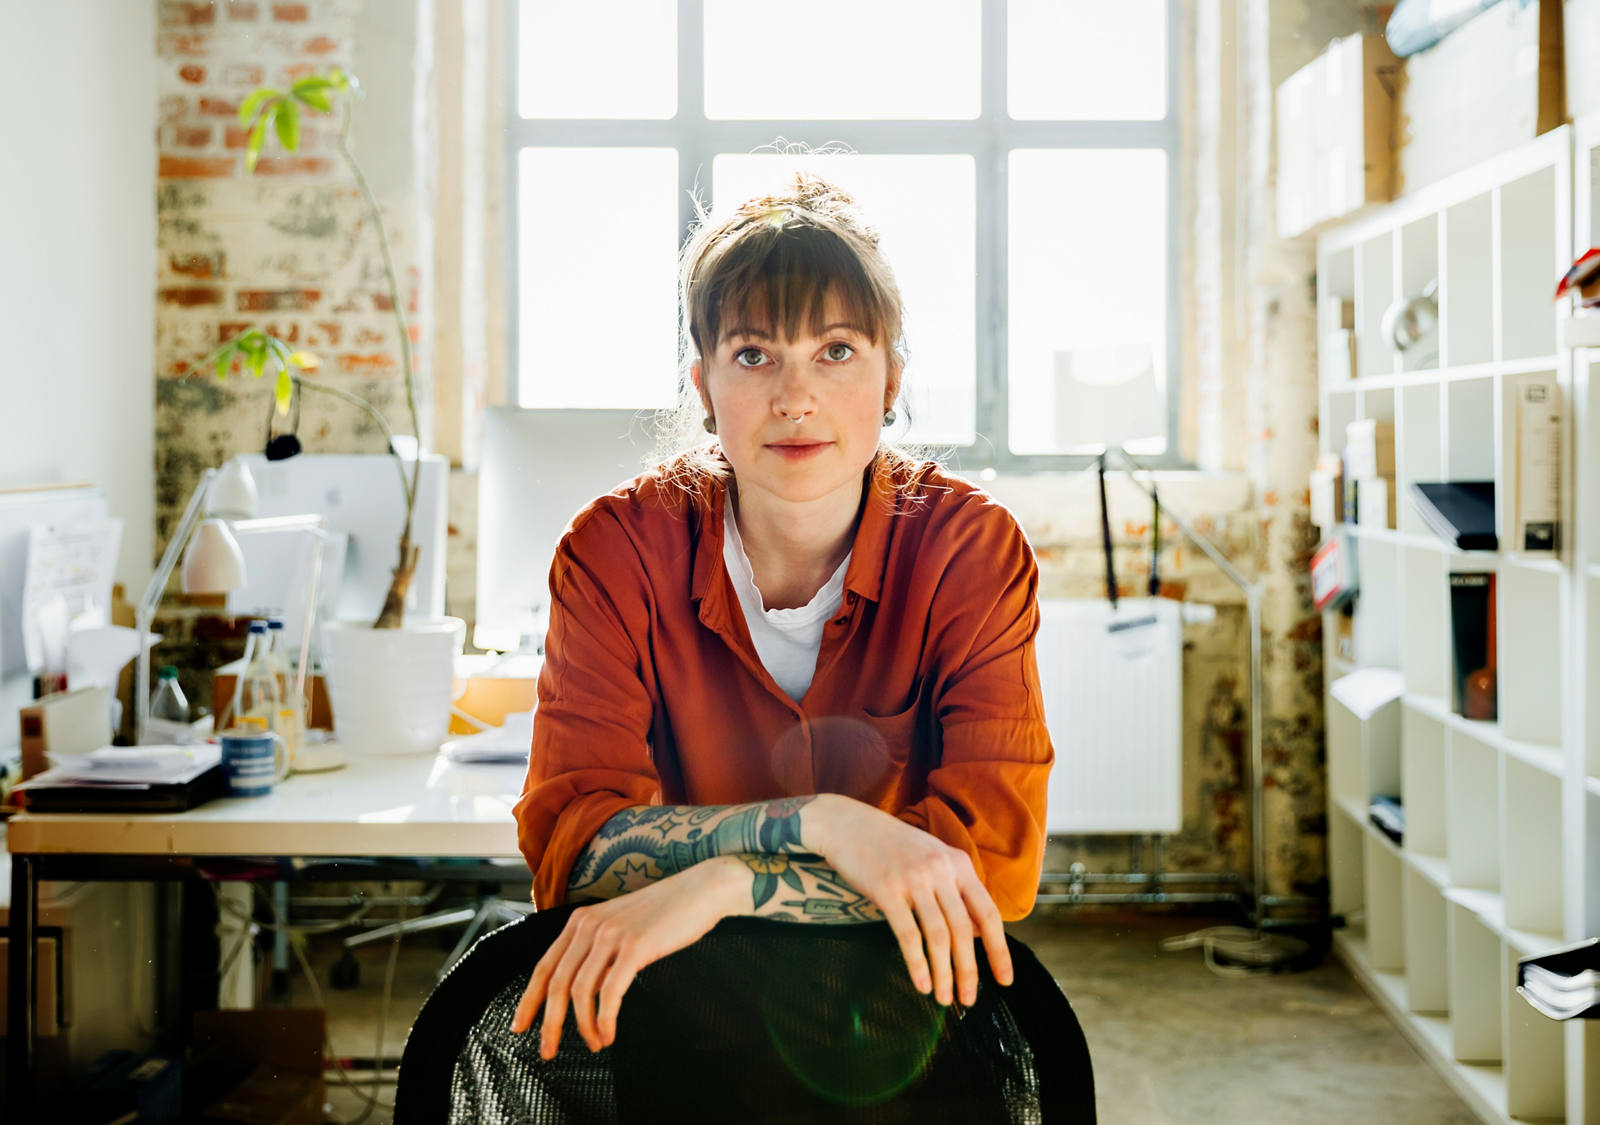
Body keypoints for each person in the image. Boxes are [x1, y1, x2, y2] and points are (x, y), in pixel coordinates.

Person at [509, 173, 1054, 1063]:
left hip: (902, 1036)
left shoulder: (970, 549)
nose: (796, 398)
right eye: (755, 355)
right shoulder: (615, 549)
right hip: (679, 1029)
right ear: (704, 384)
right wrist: (819, 823)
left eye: (835, 350)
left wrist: (733, 880)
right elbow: (572, 851)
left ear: (891, 378)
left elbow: (990, 866)